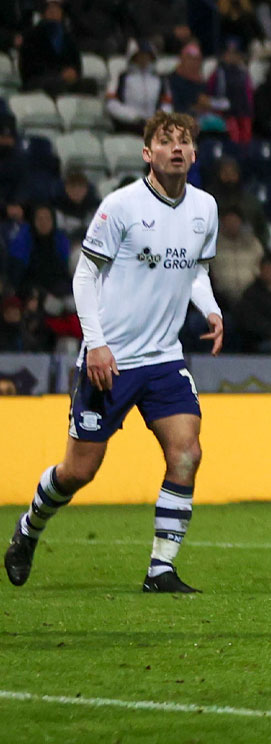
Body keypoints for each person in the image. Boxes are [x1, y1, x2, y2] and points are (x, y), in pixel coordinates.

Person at [6, 113, 224, 594]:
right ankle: (29, 528)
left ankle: (160, 569)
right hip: (113, 358)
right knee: (78, 471)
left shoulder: (205, 208)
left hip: (165, 358)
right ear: (147, 154)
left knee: (186, 453)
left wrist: (211, 310)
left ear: (194, 154)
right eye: (165, 142)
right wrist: (97, 343)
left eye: (183, 141)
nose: (176, 148)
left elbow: (196, 272)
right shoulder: (120, 206)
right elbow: (84, 277)